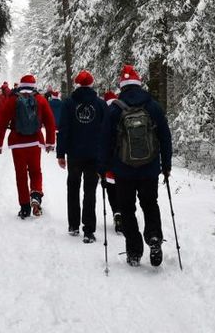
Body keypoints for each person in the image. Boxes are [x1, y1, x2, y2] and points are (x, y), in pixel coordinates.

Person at [99, 65, 172, 267]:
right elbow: (165, 137)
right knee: (150, 204)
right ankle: (154, 237)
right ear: (139, 83)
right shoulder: (153, 106)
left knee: (127, 209)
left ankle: (134, 251)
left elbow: (105, 140)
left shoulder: (115, 108)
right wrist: (166, 164)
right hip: (149, 169)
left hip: (123, 170)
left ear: (122, 85)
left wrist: (103, 168)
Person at [0, 74, 56, 219]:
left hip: (17, 142)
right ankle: (36, 195)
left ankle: (25, 207)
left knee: (20, 175)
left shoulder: (13, 100)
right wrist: (50, 142)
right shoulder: (40, 99)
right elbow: (50, 121)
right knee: (35, 171)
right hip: (35, 142)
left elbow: (2, 122)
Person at [56, 70, 106, 243]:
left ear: (76, 84)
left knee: (73, 187)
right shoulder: (100, 104)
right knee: (90, 191)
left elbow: (63, 130)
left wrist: (61, 154)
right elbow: (106, 132)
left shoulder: (69, 103)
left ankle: (73, 225)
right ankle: (89, 230)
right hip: (94, 155)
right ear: (92, 84)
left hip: (75, 154)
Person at [100, 90, 122, 234]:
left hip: (109, 161)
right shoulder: (123, 110)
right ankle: (123, 211)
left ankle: (116, 211)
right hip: (124, 159)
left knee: (110, 188)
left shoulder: (104, 114)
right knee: (124, 188)